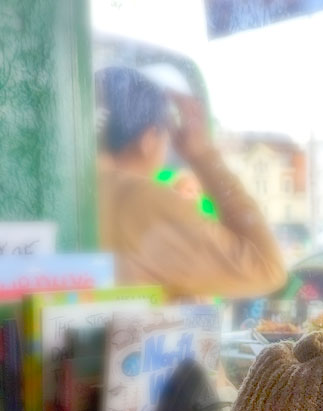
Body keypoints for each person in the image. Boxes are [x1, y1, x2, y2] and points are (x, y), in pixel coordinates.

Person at [96, 66, 286, 298]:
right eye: (166, 134)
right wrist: (202, 154)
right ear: (148, 139)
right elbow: (267, 268)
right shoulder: (141, 200)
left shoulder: (83, 191)